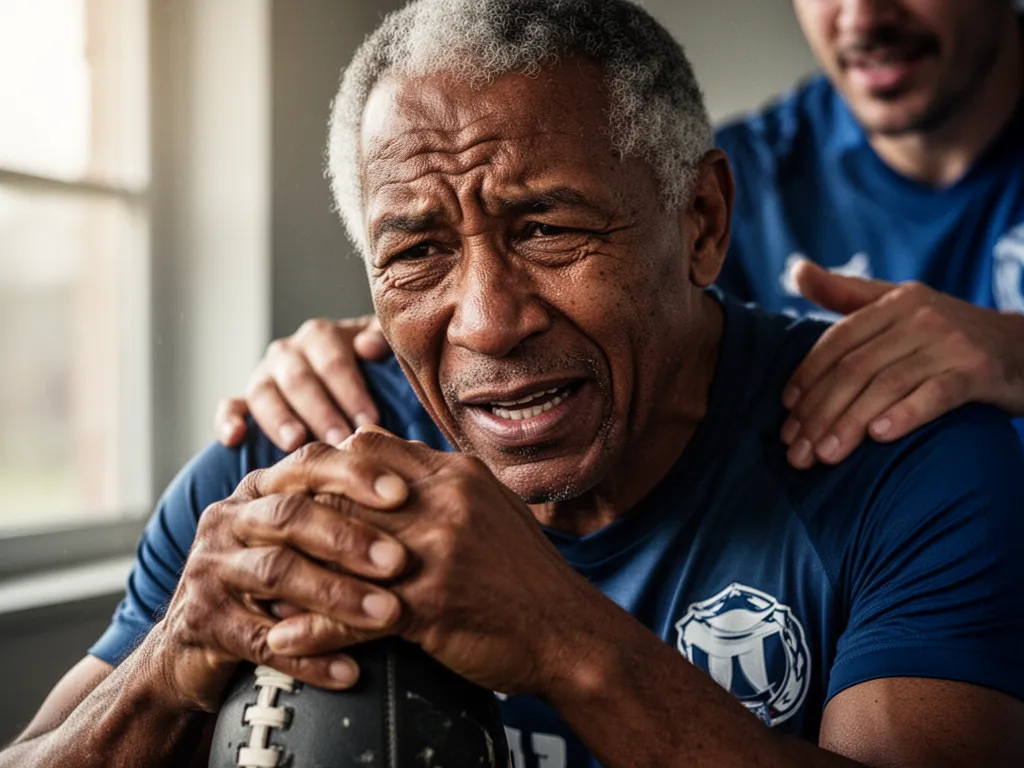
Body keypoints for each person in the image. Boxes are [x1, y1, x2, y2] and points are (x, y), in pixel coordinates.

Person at [5, 1, 1024, 766]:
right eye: (417, 252)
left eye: (547, 228)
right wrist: (169, 665)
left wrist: (562, 641)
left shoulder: (906, 459)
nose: (490, 319)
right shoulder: (280, 466)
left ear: (703, 224)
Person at [216, 0, 1024, 468]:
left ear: (707, 219)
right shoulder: (744, 171)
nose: (865, 16)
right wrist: (374, 355)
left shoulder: (930, 486)